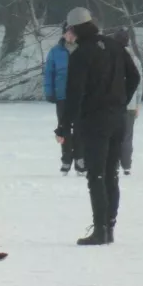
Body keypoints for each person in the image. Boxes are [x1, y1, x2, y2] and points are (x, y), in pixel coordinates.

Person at [56, 8, 141, 246]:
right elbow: (134, 76)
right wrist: (120, 101)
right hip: (118, 119)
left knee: (96, 175)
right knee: (111, 175)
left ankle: (100, 230)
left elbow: (74, 94)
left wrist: (64, 126)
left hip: (94, 120)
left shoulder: (81, 54)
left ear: (74, 29)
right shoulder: (115, 46)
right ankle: (110, 228)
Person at [44, 24, 85, 175]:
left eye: (74, 33)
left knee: (81, 128)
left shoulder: (84, 50)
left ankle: (81, 159)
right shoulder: (56, 52)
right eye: (68, 33)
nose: (71, 36)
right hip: (62, 96)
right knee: (64, 128)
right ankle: (66, 160)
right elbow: (49, 73)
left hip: (81, 96)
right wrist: (49, 92)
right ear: (63, 34)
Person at [111, 29, 143, 176]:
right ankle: (126, 165)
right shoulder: (134, 59)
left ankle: (114, 163)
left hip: (114, 104)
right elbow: (139, 83)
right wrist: (137, 103)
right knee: (127, 136)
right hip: (130, 105)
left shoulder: (110, 57)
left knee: (113, 135)